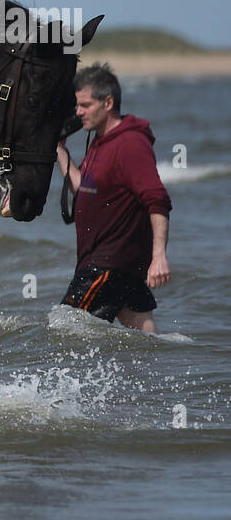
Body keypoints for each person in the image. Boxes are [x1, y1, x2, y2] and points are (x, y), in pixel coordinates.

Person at [56, 63, 172, 332]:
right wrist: (59, 150)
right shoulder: (100, 142)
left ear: (108, 102)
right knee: (145, 342)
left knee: (61, 332)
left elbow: (157, 200)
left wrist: (159, 257)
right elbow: (82, 187)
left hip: (106, 265)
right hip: (119, 267)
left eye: (85, 105)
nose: (78, 112)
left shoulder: (130, 144)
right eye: (77, 105)